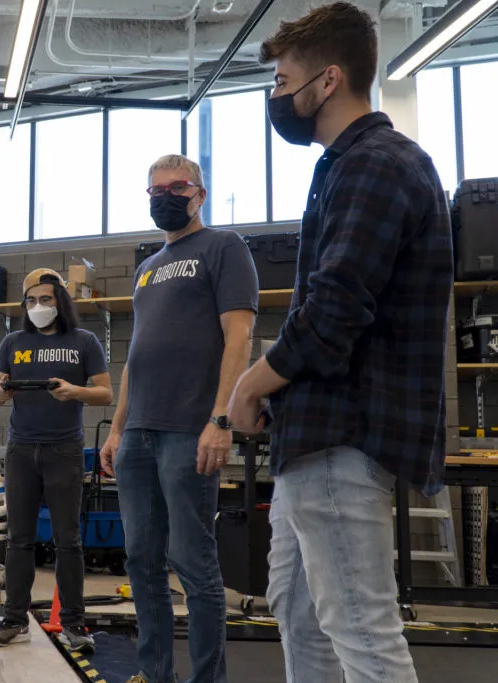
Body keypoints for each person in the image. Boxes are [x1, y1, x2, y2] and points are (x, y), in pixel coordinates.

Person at [227, 4, 453, 683]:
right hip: (315, 438)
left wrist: (248, 384)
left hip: (343, 441)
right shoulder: (344, 167)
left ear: (327, 81)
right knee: (299, 616)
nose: (276, 96)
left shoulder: (375, 165)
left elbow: (332, 314)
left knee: (361, 629)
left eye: (283, 79)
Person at [99, 153, 258, 683]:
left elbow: (239, 336)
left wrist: (222, 418)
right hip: (138, 433)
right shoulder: (145, 270)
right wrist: (118, 428)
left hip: (189, 430)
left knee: (193, 564)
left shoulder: (223, 247)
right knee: (141, 562)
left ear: (200, 194)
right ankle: (155, 673)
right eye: (155, 191)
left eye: (177, 187)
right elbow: (137, 356)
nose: (165, 196)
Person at [0, 268, 112, 653]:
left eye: (46, 299)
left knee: (68, 541)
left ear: (60, 302)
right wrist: (1, 391)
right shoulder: (12, 342)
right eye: (32, 301)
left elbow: (105, 394)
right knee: (19, 539)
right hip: (21, 449)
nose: (38, 306)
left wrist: (74, 391)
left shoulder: (84, 342)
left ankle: (74, 624)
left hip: (64, 451)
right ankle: (13, 620)